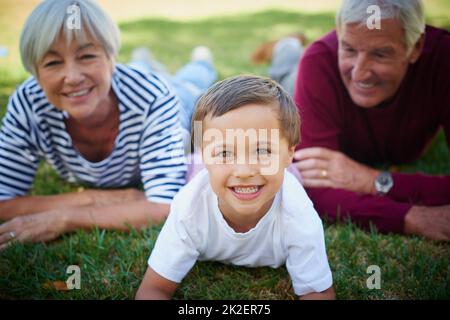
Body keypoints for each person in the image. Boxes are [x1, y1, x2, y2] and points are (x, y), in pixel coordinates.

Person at [0, 0, 188, 249]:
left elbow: (165, 206)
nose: (73, 77)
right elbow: (4, 200)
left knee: (192, 78)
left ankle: (198, 59)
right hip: (123, 81)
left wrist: (65, 218)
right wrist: (94, 198)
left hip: (183, 96)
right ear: (34, 71)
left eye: (87, 56)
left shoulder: (154, 97)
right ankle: (143, 60)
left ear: (112, 57)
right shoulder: (28, 104)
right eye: (53, 62)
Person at [136, 75, 335, 300]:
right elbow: (154, 289)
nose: (243, 170)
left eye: (262, 151)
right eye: (225, 153)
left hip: (286, 173)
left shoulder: (298, 213)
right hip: (195, 168)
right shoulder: (189, 208)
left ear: (290, 152)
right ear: (205, 157)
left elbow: (317, 293)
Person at [293, 0, 450, 240]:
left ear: (415, 47)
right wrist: (410, 217)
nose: (359, 73)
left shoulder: (443, 58)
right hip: (294, 86)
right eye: (349, 49)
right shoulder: (319, 61)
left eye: (380, 54)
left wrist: (375, 181)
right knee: (286, 74)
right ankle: (287, 47)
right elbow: (312, 187)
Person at [128, 46, 217, 152]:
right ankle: (148, 63)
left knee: (134, 70)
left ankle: (145, 62)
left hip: (153, 85)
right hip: (185, 90)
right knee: (200, 63)